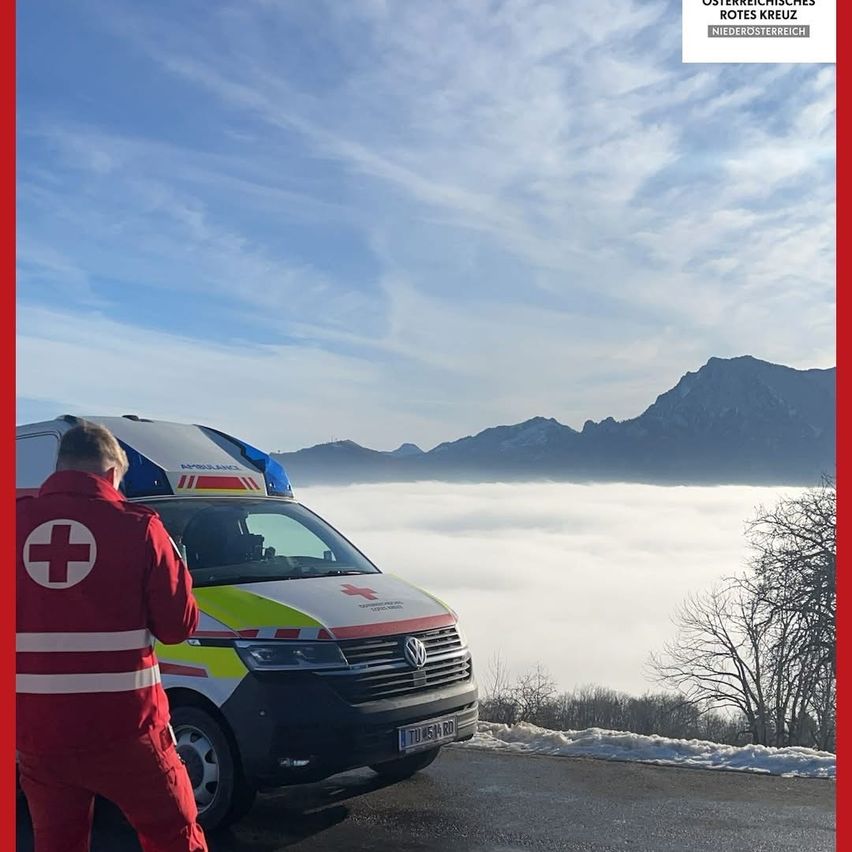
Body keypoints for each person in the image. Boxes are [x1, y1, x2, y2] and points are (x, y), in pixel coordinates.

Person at [16, 422, 208, 852]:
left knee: (57, 843)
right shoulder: (140, 528)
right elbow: (179, 628)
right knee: (174, 838)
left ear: (60, 467)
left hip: (39, 735)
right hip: (128, 730)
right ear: (110, 474)